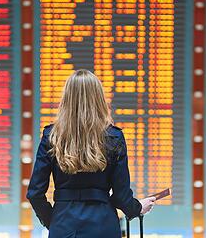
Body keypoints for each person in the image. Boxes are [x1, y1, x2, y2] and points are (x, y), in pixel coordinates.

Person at [26, 69, 156, 238]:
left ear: (66, 99)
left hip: (63, 225)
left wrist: (54, 222)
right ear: (98, 98)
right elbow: (121, 195)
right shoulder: (114, 137)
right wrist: (137, 208)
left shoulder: (52, 136)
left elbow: (35, 193)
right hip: (103, 226)